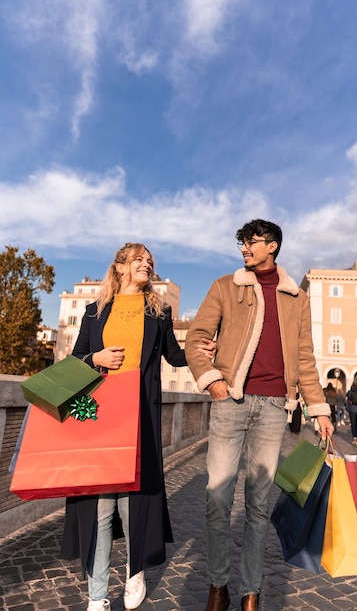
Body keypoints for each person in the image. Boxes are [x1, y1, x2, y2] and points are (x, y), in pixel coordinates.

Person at [185, 219, 334, 611]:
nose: (244, 249)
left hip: (273, 408)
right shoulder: (224, 286)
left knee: (258, 505)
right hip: (231, 402)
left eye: (251, 243)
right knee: (218, 499)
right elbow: (197, 338)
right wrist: (213, 380)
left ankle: (251, 590)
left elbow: (304, 357)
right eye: (242, 243)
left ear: (272, 246)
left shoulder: (295, 297)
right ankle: (219, 585)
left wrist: (319, 409)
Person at [60, 243, 215, 611]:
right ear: (120, 267)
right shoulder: (95, 311)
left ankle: (135, 572)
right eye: (139, 260)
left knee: (134, 506)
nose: (147, 265)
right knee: (98, 510)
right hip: (98, 416)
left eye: (150, 262)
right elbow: (75, 359)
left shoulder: (158, 311)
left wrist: (202, 350)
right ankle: (97, 596)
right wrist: (95, 358)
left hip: (139, 416)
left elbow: (173, 355)